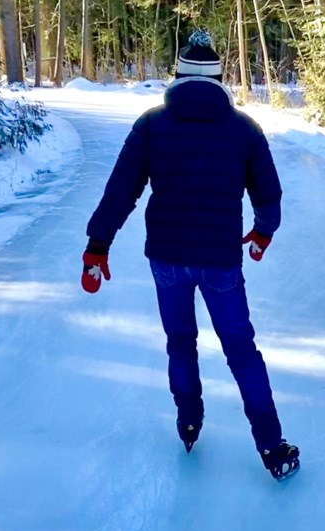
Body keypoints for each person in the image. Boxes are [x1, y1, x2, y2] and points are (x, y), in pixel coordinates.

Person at [80, 30, 300, 481]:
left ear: (178, 75)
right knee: (241, 349)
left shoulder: (152, 124)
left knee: (180, 341)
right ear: (219, 78)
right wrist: (263, 232)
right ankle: (272, 446)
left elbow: (121, 191)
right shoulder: (244, 129)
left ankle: (189, 419)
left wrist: (98, 245)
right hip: (220, 260)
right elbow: (269, 196)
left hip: (167, 259)